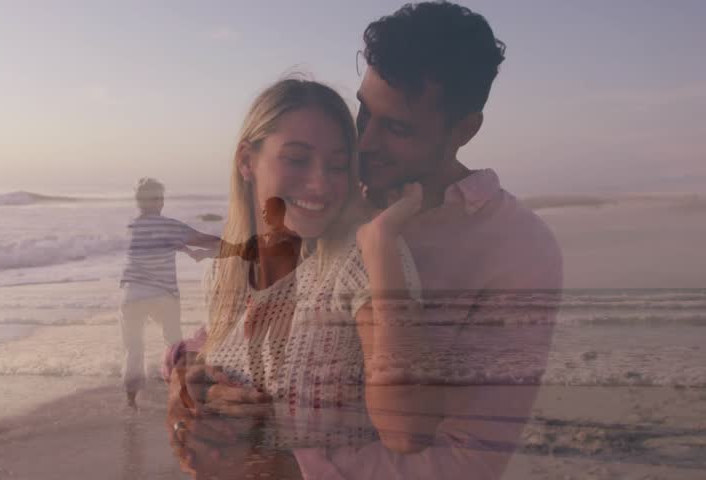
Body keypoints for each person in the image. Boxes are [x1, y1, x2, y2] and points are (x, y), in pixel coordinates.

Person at [168, 2, 564, 479]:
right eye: (363, 111)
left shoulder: (516, 248)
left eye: (396, 127)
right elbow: (242, 321)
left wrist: (281, 469)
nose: (366, 143)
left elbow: (469, 459)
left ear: (464, 130)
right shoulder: (332, 197)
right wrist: (190, 376)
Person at [163, 77, 430, 479]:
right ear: (246, 161)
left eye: (338, 165)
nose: (320, 182)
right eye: (297, 159)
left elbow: (405, 431)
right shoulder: (227, 274)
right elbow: (201, 350)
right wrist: (185, 387)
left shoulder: (361, 261)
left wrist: (380, 240)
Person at [118, 177, 222, 408]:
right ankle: (182, 393)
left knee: (133, 348)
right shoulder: (170, 226)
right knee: (173, 342)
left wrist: (182, 248)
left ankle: (131, 400)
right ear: (160, 201)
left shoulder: (131, 225)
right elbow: (207, 240)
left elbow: (156, 243)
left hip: (132, 295)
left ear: (138, 202)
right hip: (163, 295)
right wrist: (231, 242)